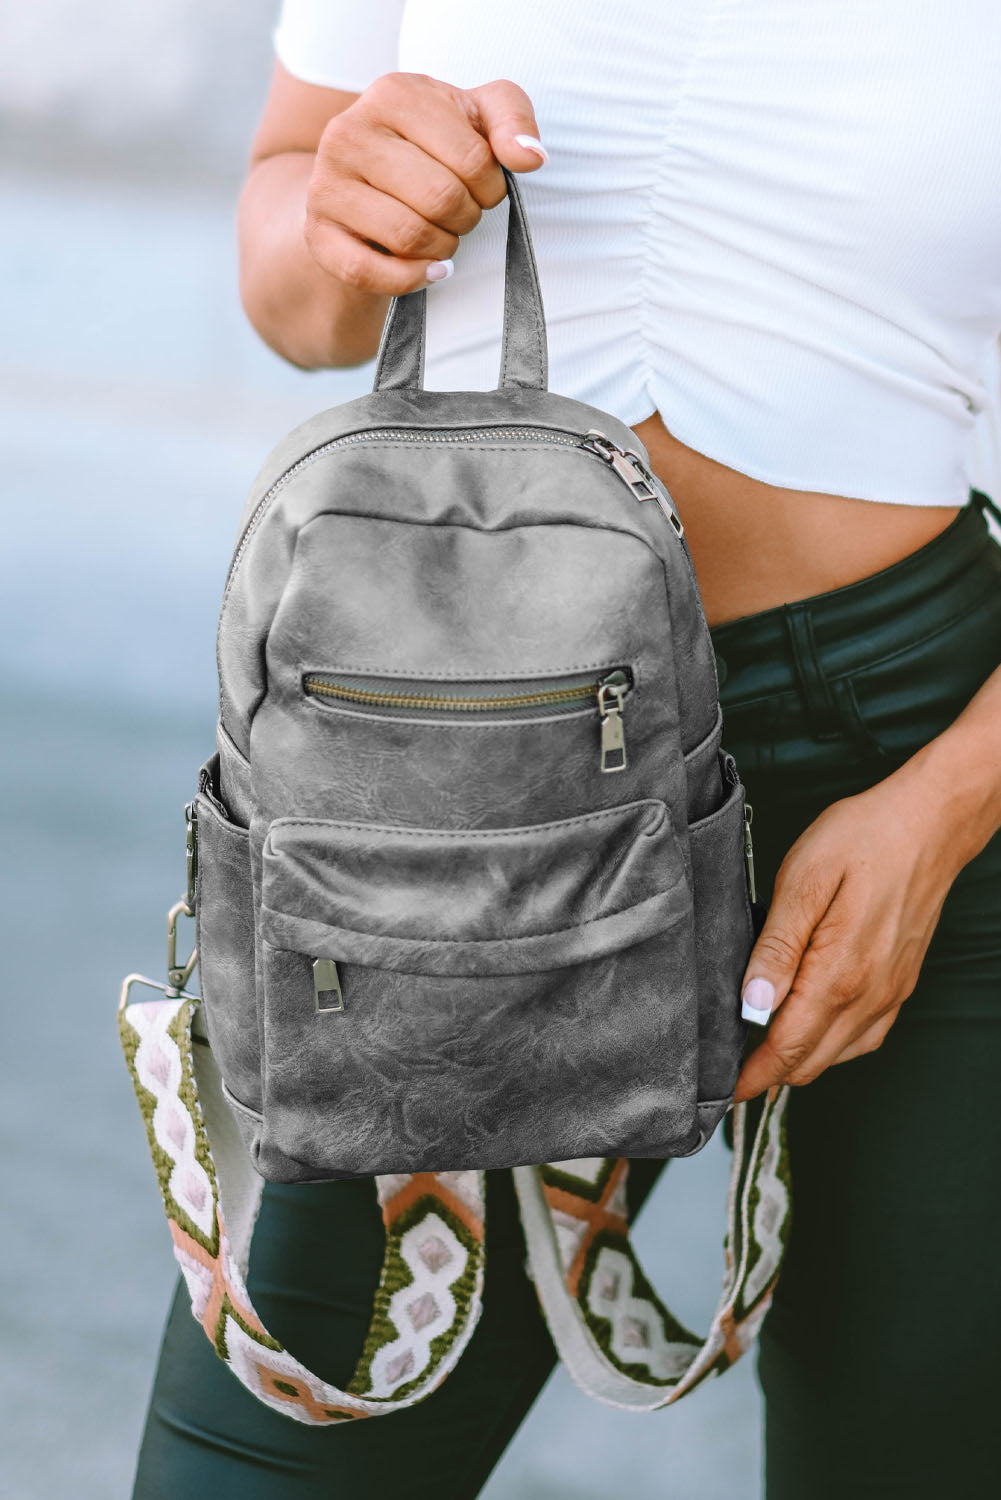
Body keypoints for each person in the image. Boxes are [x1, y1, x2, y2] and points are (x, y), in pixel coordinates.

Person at [131, 3, 1001, 1495]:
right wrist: (341, 216)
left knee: (905, 1452)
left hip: (915, 752)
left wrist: (942, 810)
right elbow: (291, 280)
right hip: (467, 773)